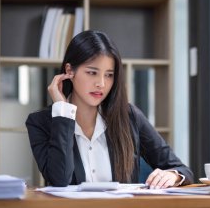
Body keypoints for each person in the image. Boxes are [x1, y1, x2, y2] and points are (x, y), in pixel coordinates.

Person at [25, 30, 194, 188]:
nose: (101, 84)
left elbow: (181, 169)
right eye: (92, 73)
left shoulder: (129, 116)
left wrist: (173, 176)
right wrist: (62, 111)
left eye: (109, 75)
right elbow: (59, 180)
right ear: (69, 71)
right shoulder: (40, 122)